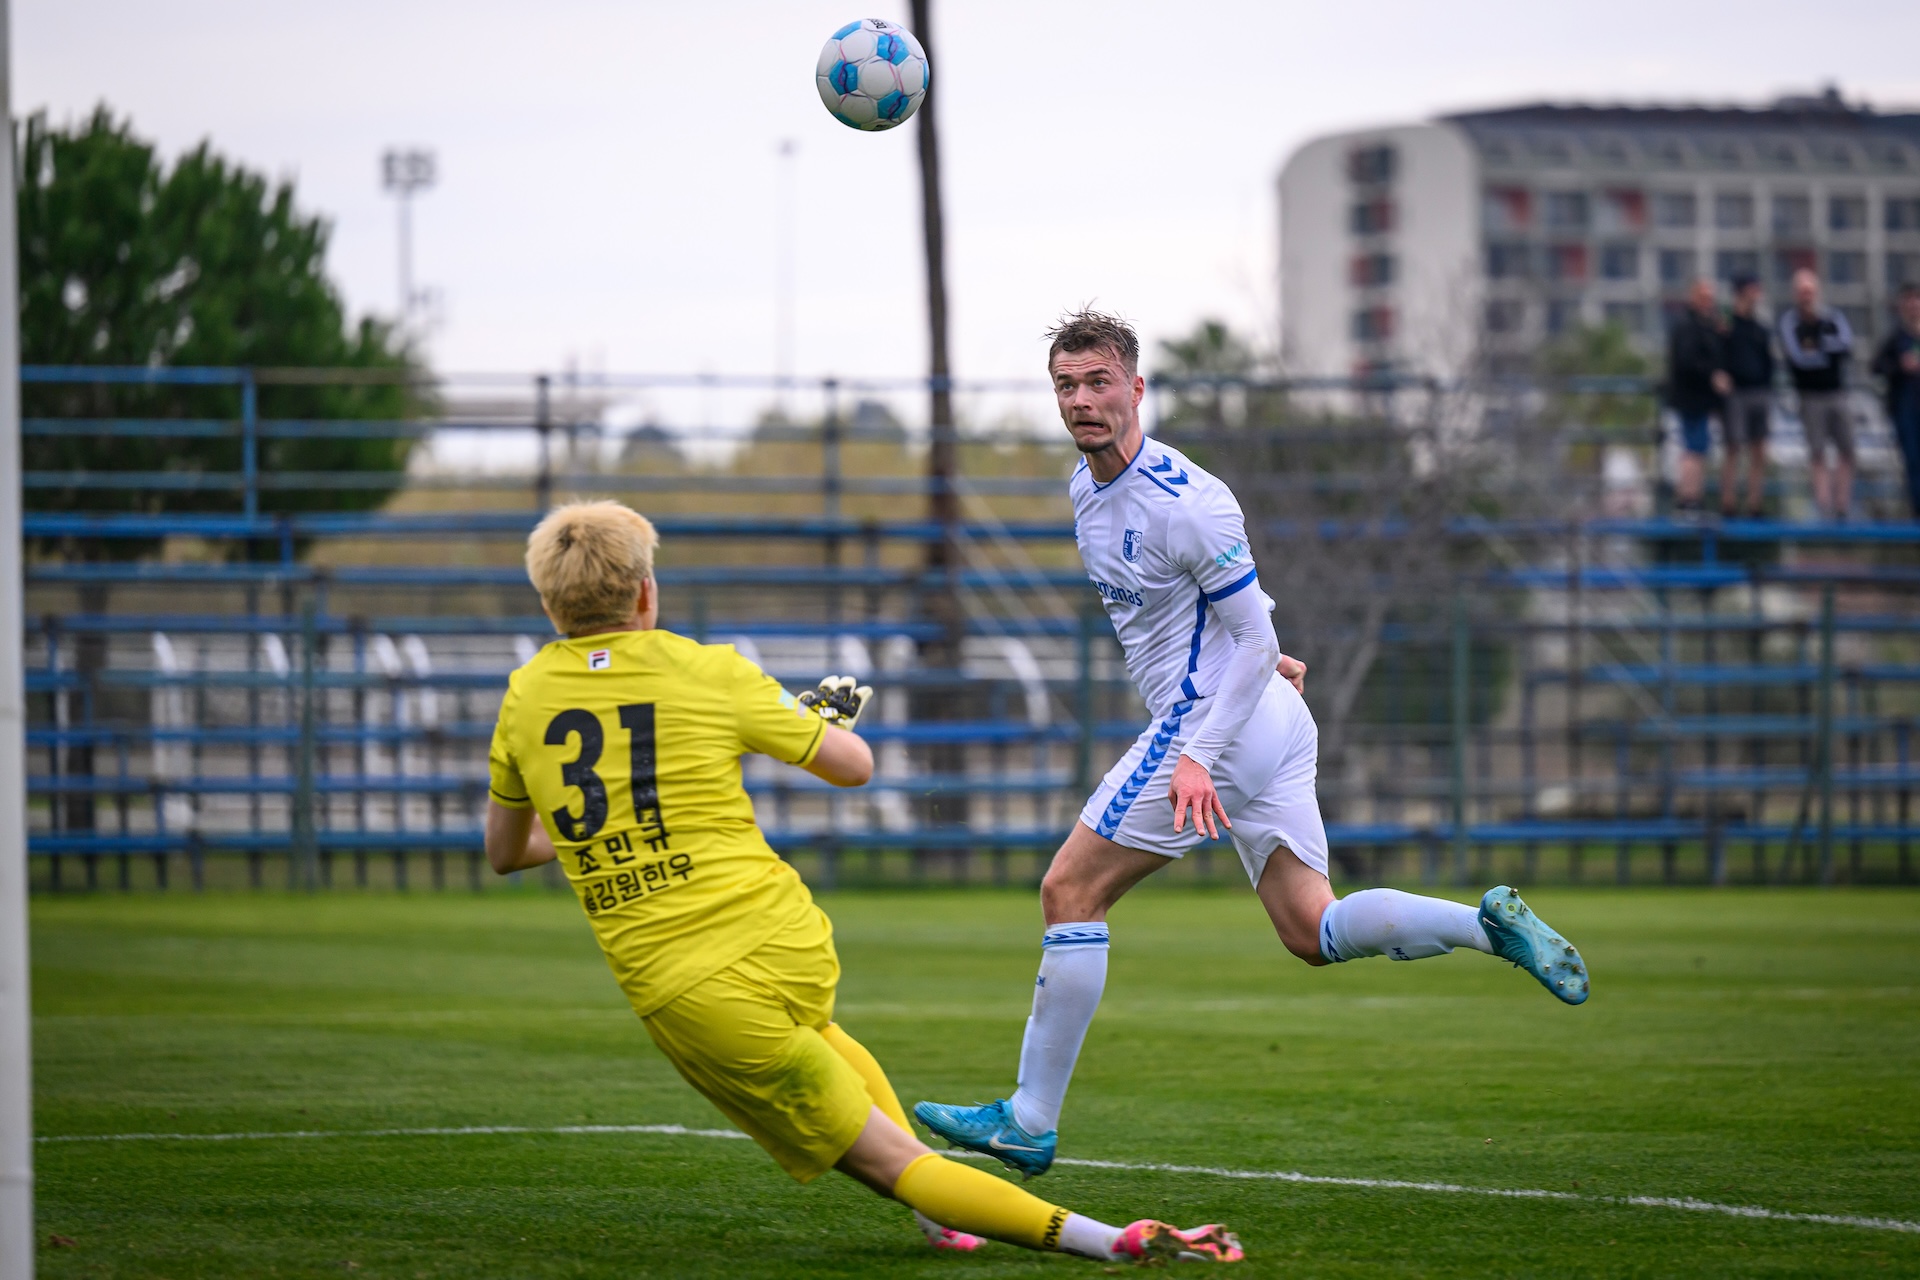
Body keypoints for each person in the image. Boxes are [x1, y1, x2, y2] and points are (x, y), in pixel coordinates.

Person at [913, 311, 1589, 1180]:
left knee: (1068, 890)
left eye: (1098, 382)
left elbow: (1248, 637)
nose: (1082, 401)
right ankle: (1486, 926)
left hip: (1213, 728)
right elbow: (1239, 622)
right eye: (1066, 385)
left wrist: (1202, 745)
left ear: (1136, 389)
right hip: (1258, 715)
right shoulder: (1085, 491)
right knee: (1312, 930)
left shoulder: (1187, 501)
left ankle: (1030, 1121)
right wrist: (1262, 660)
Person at [483, 500, 1243, 1265]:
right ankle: (939, 1219)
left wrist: (608, 831)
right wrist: (817, 724)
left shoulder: (524, 698)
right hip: (784, 937)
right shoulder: (707, 669)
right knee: (821, 1036)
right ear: (646, 592)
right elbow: (854, 768)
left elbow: (508, 851)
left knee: (898, 1167)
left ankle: (1110, 1241)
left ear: (549, 603)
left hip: (692, 989)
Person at [1778, 268, 1857, 521]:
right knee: (1817, 452)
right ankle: (1824, 506)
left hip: (1837, 393)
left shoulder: (1833, 318)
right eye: (1802, 291)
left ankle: (1842, 505)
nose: (1806, 296)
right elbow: (1798, 358)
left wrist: (1818, 350)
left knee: (1847, 450)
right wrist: (1825, 352)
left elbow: (1845, 346)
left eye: (1810, 291)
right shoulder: (1790, 322)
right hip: (1810, 397)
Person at [1665, 277, 1729, 519]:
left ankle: (1694, 498)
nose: (1708, 302)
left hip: (1701, 400)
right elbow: (1686, 361)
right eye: (1704, 297)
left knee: (1699, 449)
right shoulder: (1687, 326)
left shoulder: (1707, 325)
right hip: (1689, 398)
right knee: (1693, 449)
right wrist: (1712, 376)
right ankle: (1687, 500)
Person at [1721, 275, 1774, 519]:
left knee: (1758, 450)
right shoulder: (1727, 326)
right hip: (1736, 394)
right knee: (1733, 447)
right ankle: (1728, 502)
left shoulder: (1760, 329)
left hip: (1759, 392)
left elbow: (1769, 361)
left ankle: (1755, 504)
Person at [1873, 285, 1920, 520]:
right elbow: (1876, 367)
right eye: (1909, 301)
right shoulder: (1896, 338)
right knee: (1913, 462)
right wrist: (1900, 368)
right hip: (1906, 409)